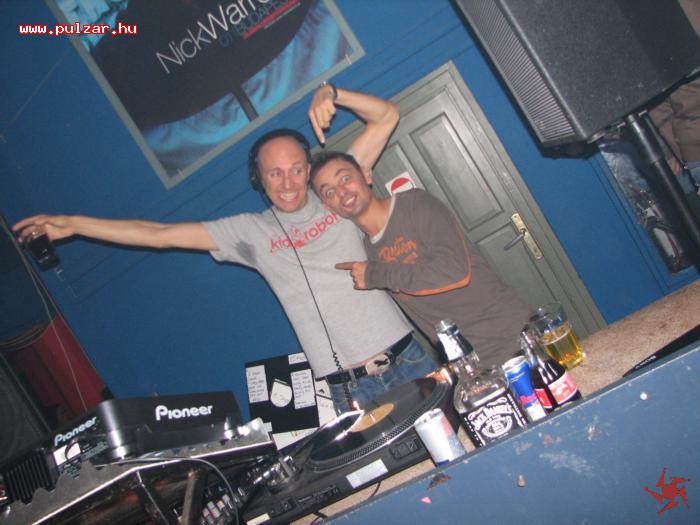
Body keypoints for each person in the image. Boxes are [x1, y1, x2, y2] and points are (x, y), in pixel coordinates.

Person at [13, 85, 438, 414]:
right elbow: (158, 234)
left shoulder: (338, 192)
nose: (288, 183)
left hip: (408, 357)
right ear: (259, 180)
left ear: (309, 169)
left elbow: (387, 116)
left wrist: (333, 93)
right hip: (348, 387)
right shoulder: (249, 231)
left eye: (295, 170)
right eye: (275, 173)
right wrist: (73, 224)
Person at [309, 151, 532, 369]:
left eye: (345, 178)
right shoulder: (369, 249)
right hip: (471, 364)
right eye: (329, 192)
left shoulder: (414, 204)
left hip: (514, 340)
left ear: (366, 175)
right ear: (329, 207)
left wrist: (374, 275)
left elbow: (453, 271)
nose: (341, 192)